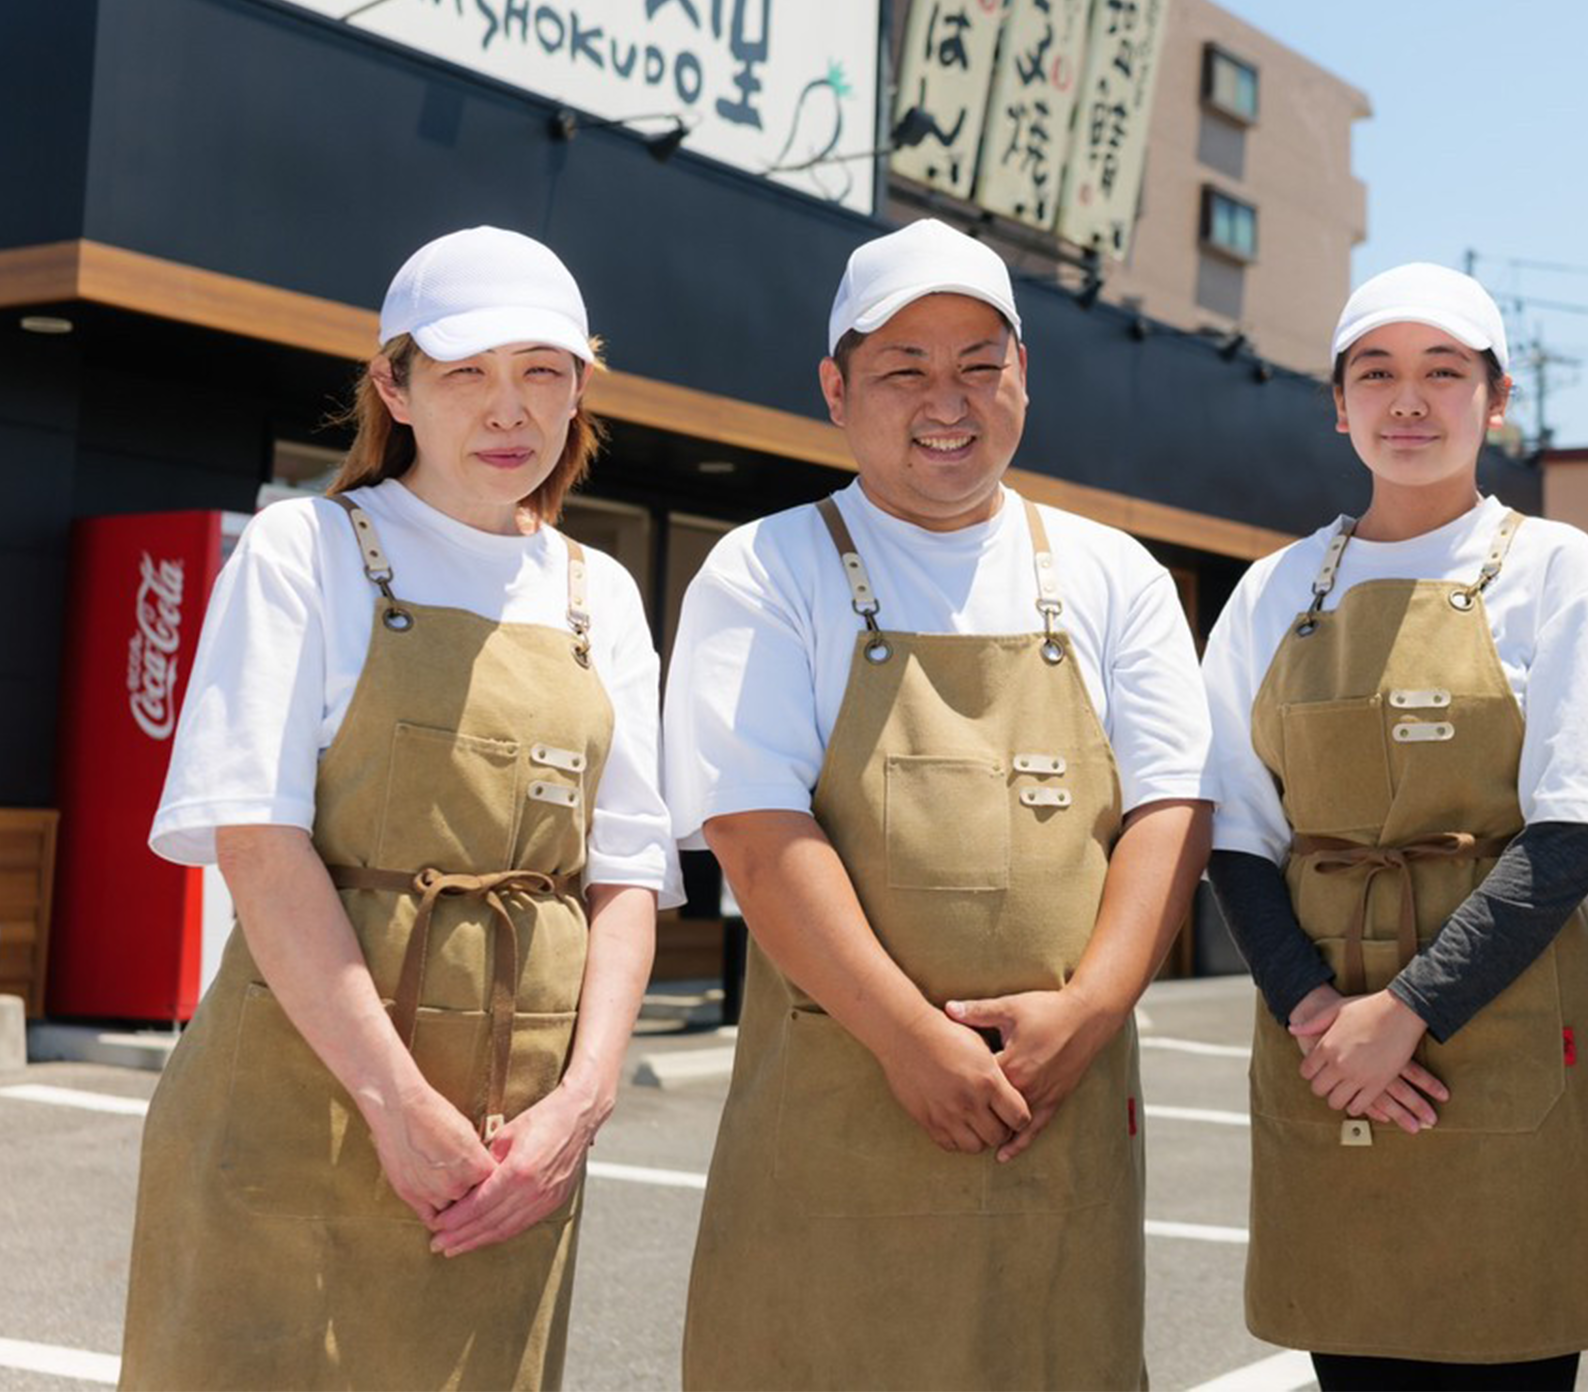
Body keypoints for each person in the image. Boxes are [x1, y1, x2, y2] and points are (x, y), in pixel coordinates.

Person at [123, 227, 680, 1389]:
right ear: (396, 382)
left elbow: (625, 873)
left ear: (582, 385)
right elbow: (260, 847)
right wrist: (393, 1101)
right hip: (297, 1109)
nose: (508, 409)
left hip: (508, 1150)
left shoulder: (603, 596)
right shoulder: (309, 552)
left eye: (543, 370)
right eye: (468, 371)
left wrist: (579, 1107)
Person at [667, 219, 1214, 1390]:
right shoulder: (769, 568)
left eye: (979, 362)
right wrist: (910, 1039)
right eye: (904, 368)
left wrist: (1094, 1006)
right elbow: (759, 837)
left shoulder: (1114, 573)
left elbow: (1171, 807)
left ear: (1026, 373)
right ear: (835, 388)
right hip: (841, 1091)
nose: (946, 400)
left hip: (1058, 1100)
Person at [1202, 264, 1588, 1389]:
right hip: (1323, 1042)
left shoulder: (1554, 569)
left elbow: (1573, 831)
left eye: (1444, 372)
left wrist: (1404, 1012)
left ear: (1497, 401)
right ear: (1337, 405)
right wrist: (1317, 1014)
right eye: (1376, 373)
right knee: (1352, 1359)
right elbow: (1239, 834)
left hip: (1499, 1036)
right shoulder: (1272, 590)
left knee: (1516, 1350)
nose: (1409, 400)